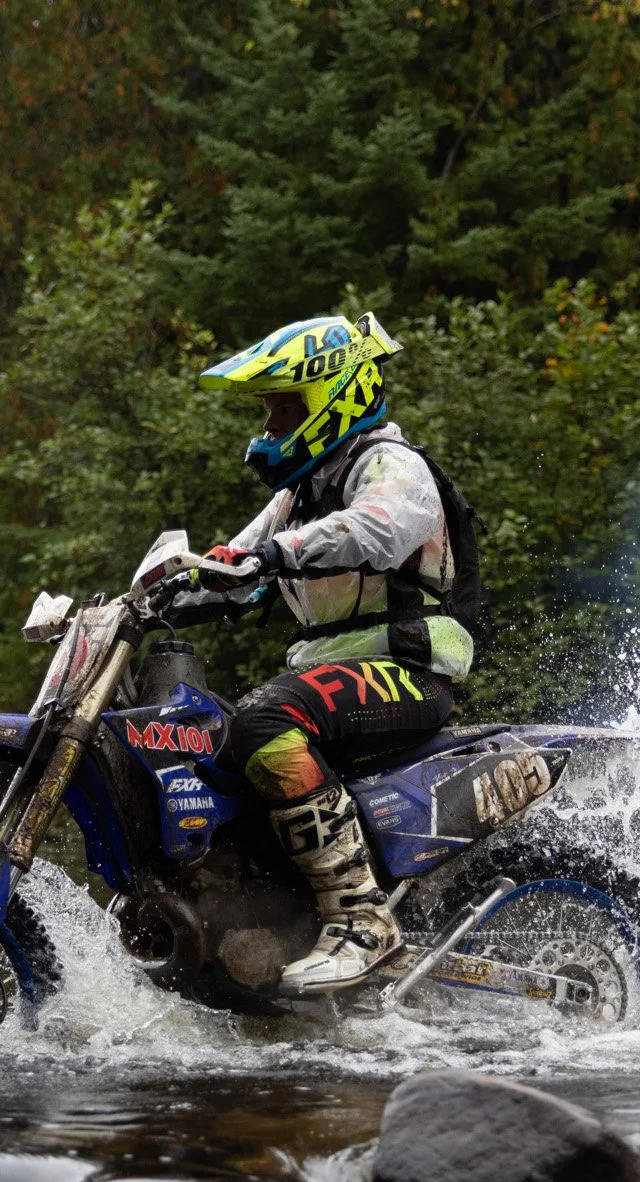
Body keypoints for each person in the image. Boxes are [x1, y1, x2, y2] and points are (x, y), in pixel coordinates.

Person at [182, 313, 477, 993]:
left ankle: (362, 920)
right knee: (205, 745)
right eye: (270, 412)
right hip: (335, 674)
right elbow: (232, 565)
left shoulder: (390, 464)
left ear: (334, 396)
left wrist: (270, 555)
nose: (272, 426)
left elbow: (377, 530)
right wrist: (157, 591)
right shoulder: (299, 493)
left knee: (264, 720)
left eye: (286, 409)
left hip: (409, 669)